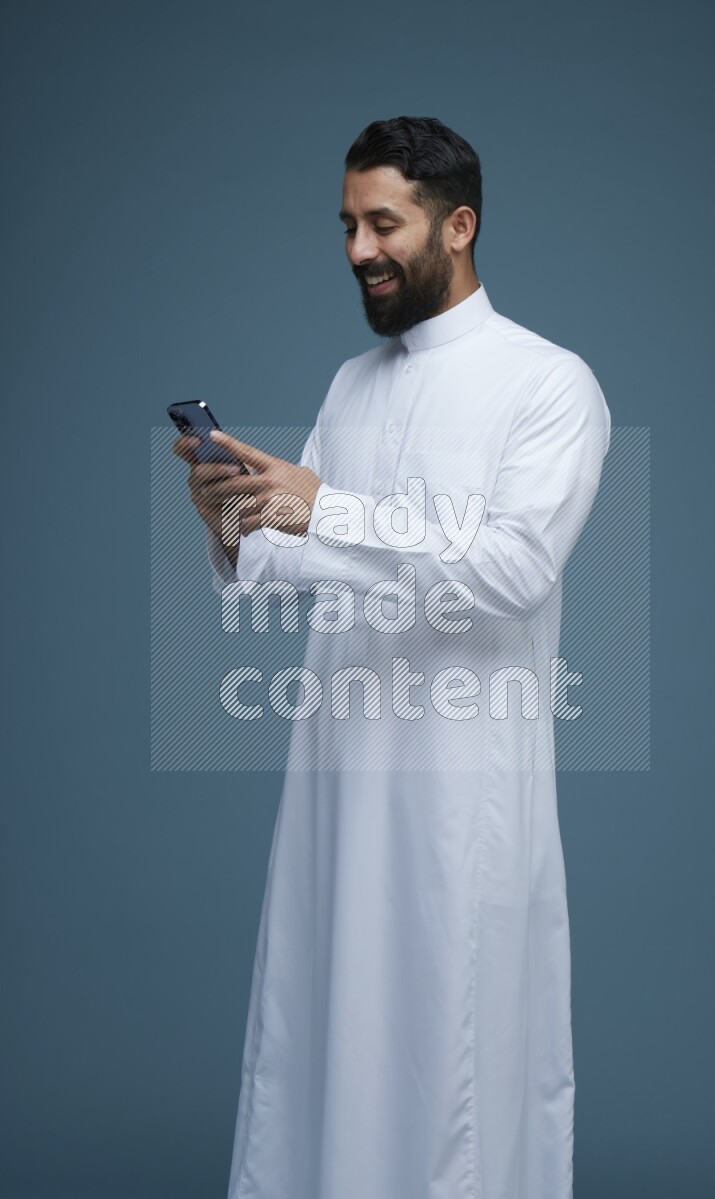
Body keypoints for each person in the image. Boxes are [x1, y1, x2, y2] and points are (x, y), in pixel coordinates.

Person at [173, 115, 611, 1199]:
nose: (358, 248)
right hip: (333, 796)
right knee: (318, 1040)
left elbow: (512, 571)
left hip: (460, 803)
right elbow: (284, 569)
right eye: (347, 225)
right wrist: (229, 520)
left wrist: (330, 507)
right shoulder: (350, 384)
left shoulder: (548, 385)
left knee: (451, 1056)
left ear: (456, 225)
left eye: (383, 224)